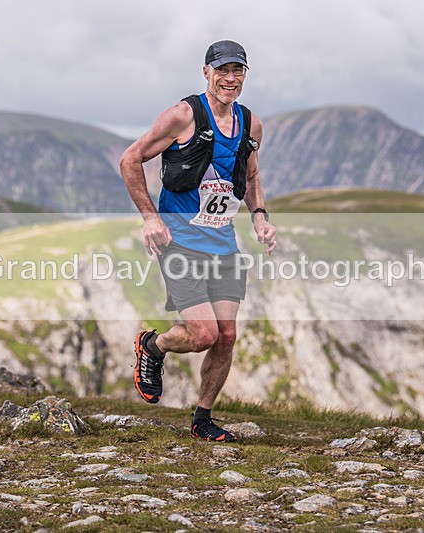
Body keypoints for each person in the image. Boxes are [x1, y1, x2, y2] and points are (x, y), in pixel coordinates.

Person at [119, 40, 277, 442]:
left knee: (227, 335)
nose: (230, 78)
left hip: (223, 245)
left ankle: (202, 418)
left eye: (238, 71)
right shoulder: (183, 115)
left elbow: (251, 176)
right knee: (204, 334)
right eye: (222, 70)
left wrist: (259, 217)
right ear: (206, 72)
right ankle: (154, 347)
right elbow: (130, 159)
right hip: (181, 243)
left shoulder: (251, 124)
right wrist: (150, 217)